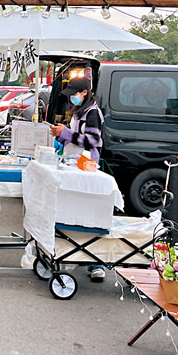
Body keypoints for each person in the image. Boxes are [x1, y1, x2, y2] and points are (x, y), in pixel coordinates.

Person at [50, 76, 107, 282]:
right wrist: (60, 136)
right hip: (74, 165)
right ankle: (75, 253)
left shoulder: (93, 113)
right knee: (76, 212)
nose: (71, 98)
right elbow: (74, 137)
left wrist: (65, 133)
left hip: (87, 168)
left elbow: (92, 141)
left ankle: (96, 264)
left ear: (84, 93)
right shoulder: (78, 111)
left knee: (89, 213)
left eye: (74, 94)